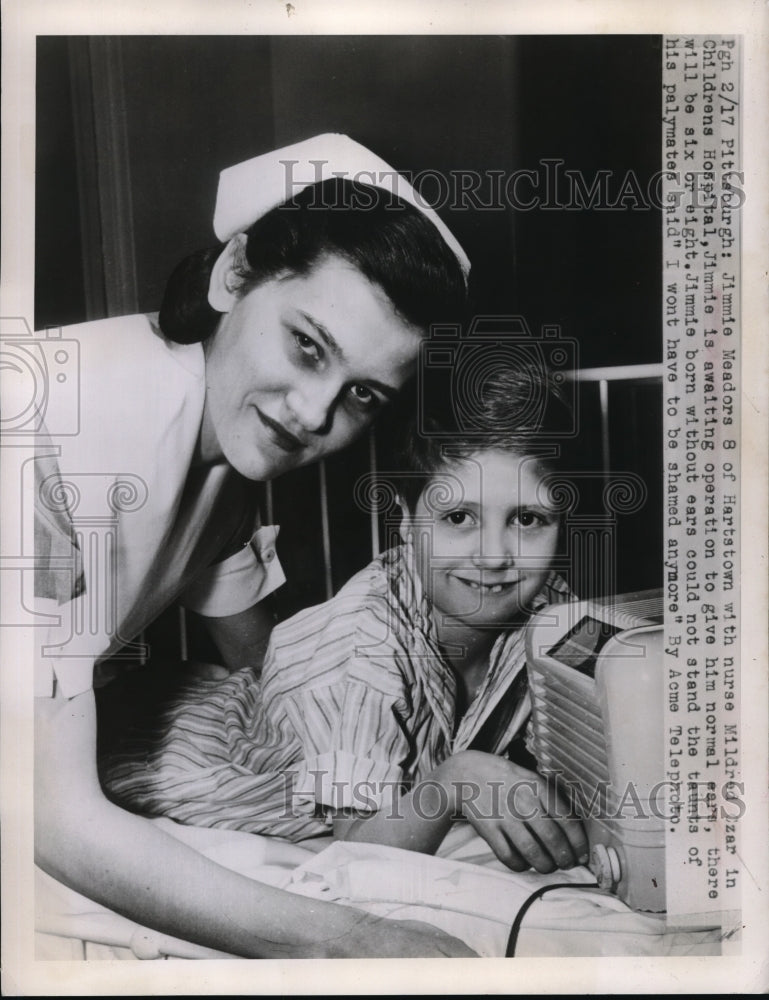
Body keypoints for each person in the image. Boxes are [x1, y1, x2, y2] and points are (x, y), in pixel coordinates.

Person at [33, 134, 476, 958]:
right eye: (307, 346)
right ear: (233, 273)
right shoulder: (44, 441)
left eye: (362, 395)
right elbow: (51, 818)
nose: (313, 414)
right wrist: (347, 939)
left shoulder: (224, 445)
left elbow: (265, 669)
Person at [101, 360, 589, 875]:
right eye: (458, 518)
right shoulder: (362, 647)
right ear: (405, 521)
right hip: (166, 762)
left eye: (529, 520)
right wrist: (456, 781)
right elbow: (356, 856)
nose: (493, 556)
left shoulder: (553, 611)